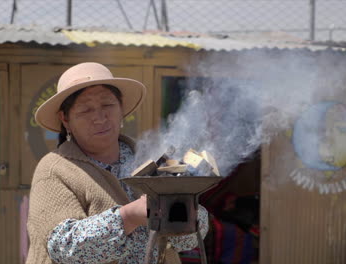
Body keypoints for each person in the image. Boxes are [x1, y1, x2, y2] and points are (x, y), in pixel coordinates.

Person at [26, 62, 209, 264]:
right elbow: (62, 247)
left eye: (107, 105)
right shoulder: (54, 169)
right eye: (86, 110)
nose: (99, 117)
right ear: (65, 119)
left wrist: (187, 213)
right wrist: (130, 216)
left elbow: (186, 241)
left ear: (121, 108)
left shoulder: (153, 160)